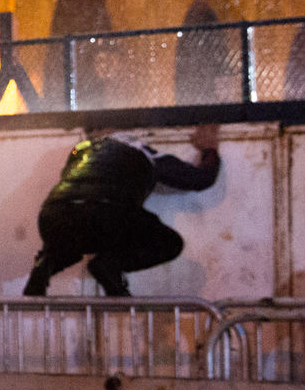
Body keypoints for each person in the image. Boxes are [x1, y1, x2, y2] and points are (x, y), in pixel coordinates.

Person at [23, 124, 220, 297]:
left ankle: (46, 263)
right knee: (169, 243)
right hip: (107, 214)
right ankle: (109, 265)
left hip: (51, 219)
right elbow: (201, 179)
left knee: (75, 225)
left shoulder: (80, 150)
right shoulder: (140, 149)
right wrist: (209, 149)